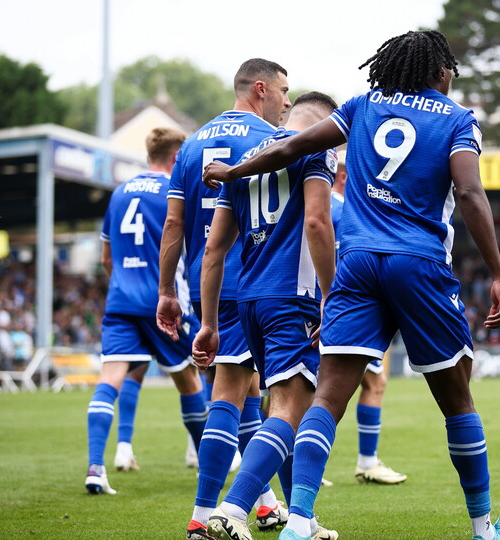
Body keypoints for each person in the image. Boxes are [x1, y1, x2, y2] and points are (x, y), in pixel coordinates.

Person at [203, 29, 500, 540]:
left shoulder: (362, 104)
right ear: (440, 71)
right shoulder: (458, 119)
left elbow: (296, 145)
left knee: (327, 397)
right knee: (457, 399)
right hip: (418, 264)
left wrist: (235, 169)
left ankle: (300, 520)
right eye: (449, 69)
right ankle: (485, 528)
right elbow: (467, 190)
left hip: (356, 266)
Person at [156, 58, 291, 539]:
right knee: (234, 394)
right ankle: (203, 514)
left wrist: (168, 290)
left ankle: (266, 504)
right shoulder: (269, 142)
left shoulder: (191, 146)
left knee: (247, 391)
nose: (287, 102)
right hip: (257, 281)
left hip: (205, 285)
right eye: (282, 91)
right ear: (260, 89)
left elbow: (173, 224)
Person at [198, 91, 340, 540]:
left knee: (284, 406)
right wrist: (331, 294)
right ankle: (234, 508)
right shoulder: (317, 151)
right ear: (325, 123)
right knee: (289, 408)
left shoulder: (245, 161)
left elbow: (214, 250)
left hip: (248, 302)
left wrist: (207, 323)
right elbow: (317, 222)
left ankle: (303, 515)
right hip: (291, 298)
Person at [86, 127, 208, 496]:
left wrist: (125, 284)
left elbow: (107, 257)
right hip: (163, 302)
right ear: (176, 158)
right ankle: (209, 465)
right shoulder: (175, 192)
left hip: (121, 300)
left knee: (109, 380)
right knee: (190, 380)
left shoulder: (120, 192)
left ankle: (95, 467)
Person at [331, 151, 407, 485]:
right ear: (346, 177)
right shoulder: (348, 212)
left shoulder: (320, 208)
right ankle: (365, 462)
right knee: (323, 392)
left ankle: (365, 462)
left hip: (325, 305)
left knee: (310, 389)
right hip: (348, 308)